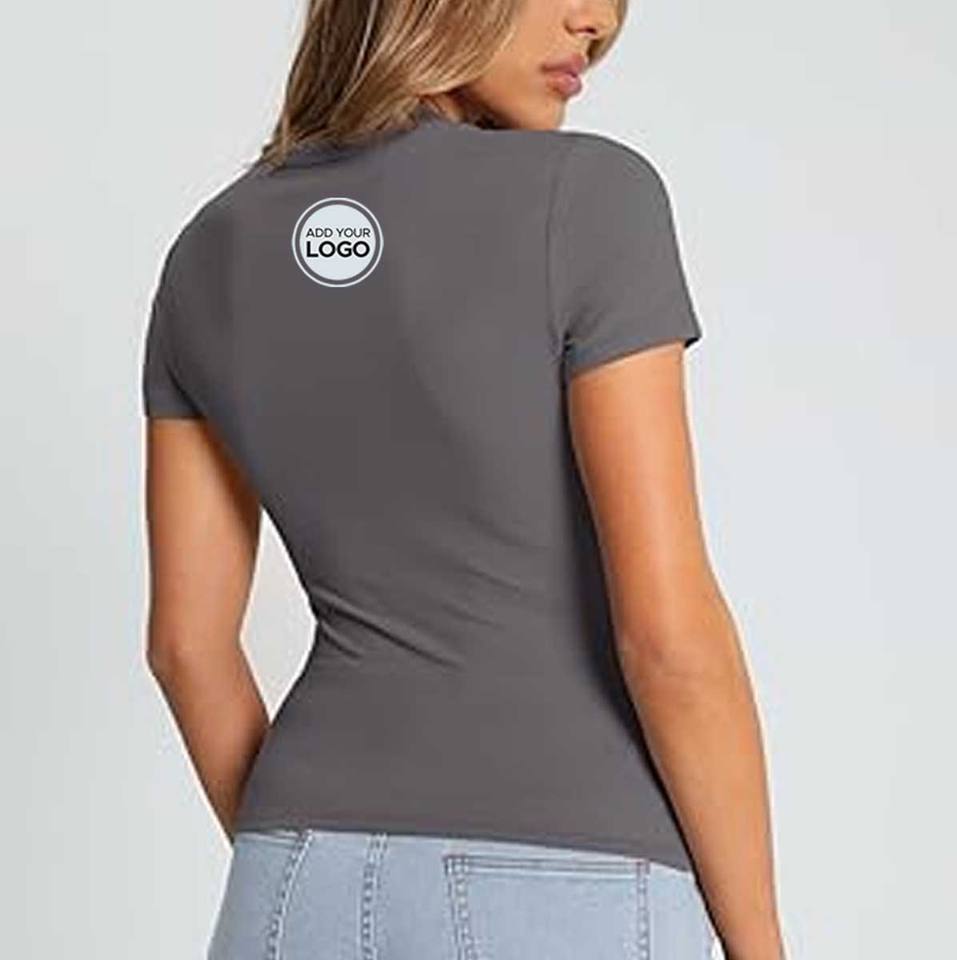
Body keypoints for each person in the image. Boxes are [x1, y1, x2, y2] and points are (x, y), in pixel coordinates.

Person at [141, 0, 786, 957]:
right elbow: (669, 640)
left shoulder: (209, 249)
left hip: (293, 879)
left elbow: (187, 648)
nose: (596, 24)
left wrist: (313, 858)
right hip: (569, 879)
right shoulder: (589, 199)